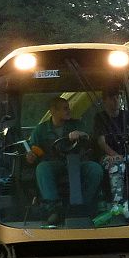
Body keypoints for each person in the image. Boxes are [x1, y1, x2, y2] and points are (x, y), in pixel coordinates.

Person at [26, 96, 103, 224]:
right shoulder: (41, 130)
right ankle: (54, 208)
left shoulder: (76, 124)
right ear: (53, 111)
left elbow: (89, 138)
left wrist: (81, 134)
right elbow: (31, 149)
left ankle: (83, 206)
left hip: (77, 163)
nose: (69, 111)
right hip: (54, 165)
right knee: (42, 168)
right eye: (65, 109)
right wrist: (30, 156)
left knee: (95, 169)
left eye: (68, 108)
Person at [93, 89, 129, 163]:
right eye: (112, 98)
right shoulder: (100, 118)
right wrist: (116, 155)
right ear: (104, 101)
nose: (116, 101)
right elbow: (102, 142)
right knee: (117, 167)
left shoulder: (128, 116)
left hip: (128, 155)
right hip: (109, 157)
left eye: (117, 97)